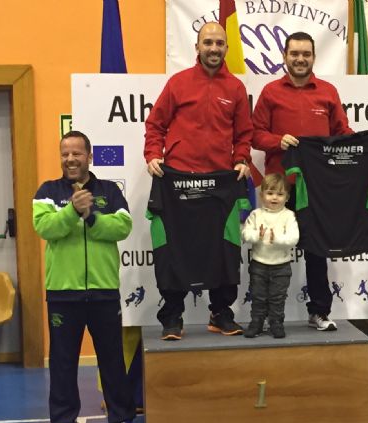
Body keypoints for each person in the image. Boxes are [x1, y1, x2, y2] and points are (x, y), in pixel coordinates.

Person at [33, 131, 141, 423]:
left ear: (89, 156)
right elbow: (45, 228)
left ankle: (121, 418)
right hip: (63, 293)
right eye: (65, 153)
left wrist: (90, 215)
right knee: (63, 361)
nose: (70, 159)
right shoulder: (47, 192)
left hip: (104, 291)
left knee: (111, 359)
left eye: (77, 153)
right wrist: (70, 211)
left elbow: (122, 227)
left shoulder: (109, 191)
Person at [144, 21, 252, 340]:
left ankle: (221, 313)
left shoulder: (235, 88)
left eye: (219, 43)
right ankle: (172, 315)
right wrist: (153, 154)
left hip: (219, 183)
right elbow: (155, 125)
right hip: (178, 182)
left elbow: (243, 134)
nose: (214, 49)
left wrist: (241, 159)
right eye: (208, 43)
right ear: (197, 47)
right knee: (175, 249)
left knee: (224, 249)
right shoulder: (178, 84)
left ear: (226, 49)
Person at [252, 31, 354, 332]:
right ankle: (268, 314)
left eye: (305, 54)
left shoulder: (327, 92)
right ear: (284, 57)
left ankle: (319, 312)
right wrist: (276, 140)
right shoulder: (270, 92)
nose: (300, 59)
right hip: (278, 189)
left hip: (316, 188)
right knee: (270, 252)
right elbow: (255, 135)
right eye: (294, 53)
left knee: (317, 252)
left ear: (313, 57)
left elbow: (343, 133)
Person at [242, 173, 299, 339]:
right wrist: (258, 236)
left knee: (277, 298)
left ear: (287, 197)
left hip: (281, 266)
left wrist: (276, 239)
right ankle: (256, 323)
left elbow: (293, 238)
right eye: (270, 193)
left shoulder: (289, 216)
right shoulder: (255, 215)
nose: (275, 198)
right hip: (259, 264)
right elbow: (246, 235)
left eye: (280, 194)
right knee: (258, 296)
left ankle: (276, 323)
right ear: (262, 195)